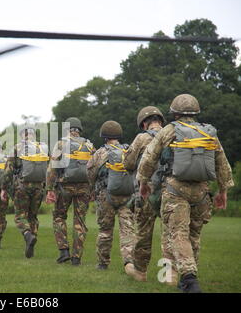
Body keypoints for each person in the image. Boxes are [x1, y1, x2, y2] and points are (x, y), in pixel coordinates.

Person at [137, 94, 234, 293]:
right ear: (196, 112)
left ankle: (189, 278)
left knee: (178, 234)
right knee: (194, 236)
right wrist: (222, 191)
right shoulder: (208, 132)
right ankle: (187, 279)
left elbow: (148, 159)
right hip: (202, 192)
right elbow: (222, 164)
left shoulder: (169, 131)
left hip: (175, 189)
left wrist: (143, 183)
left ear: (174, 113)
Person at [122, 106, 172, 283]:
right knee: (169, 234)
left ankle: (141, 272)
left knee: (143, 234)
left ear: (144, 123)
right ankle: (168, 275)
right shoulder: (172, 134)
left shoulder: (141, 138)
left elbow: (127, 164)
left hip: (146, 193)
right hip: (170, 192)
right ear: (160, 121)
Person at [87, 120, 135, 272]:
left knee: (105, 230)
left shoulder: (100, 153)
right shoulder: (127, 150)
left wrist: (92, 189)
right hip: (127, 195)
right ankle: (129, 261)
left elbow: (90, 173)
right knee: (127, 229)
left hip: (105, 195)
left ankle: (103, 263)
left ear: (104, 136)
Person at [46, 117, 95, 265]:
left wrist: (49, 189)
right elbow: (95, 168)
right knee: (80, 221)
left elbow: (52, 168)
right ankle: (76, 258)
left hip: (64, 187)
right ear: (79, 130)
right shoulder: (89, 145)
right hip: (84, 187)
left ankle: (64, 251)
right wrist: (92, 188)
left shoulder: (61, 144)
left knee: (59, 217)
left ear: (67, 129)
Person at [1, 124, 49, 258]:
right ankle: (32, 240)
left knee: (20, 216)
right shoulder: (42, 148)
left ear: (22, 135)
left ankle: (28, 234)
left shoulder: (17, 148)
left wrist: (4, 188)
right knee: (33, 216)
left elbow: (8, 171)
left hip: (22, 186)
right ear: (33, 134)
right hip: (39, 187)